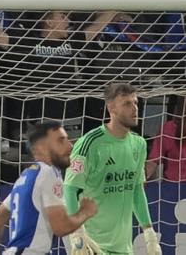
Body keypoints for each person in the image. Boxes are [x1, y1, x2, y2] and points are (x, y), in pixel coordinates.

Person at [62, 82, 158, 255]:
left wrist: (149, 232)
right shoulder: (89, 143)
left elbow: (137, 190)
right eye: (127, 104)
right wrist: (77, 233)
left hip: (123, 248)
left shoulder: (139, 144)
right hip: (92, 245)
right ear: (111, 108)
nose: (135, 108)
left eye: (135, 102)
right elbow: (69, 189)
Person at [0, 121, 97, 255]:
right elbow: (60, 228)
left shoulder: (25, 178)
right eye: (61, 141)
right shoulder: (48, 173)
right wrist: (85, 212)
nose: (70, 146)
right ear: (42, 148)